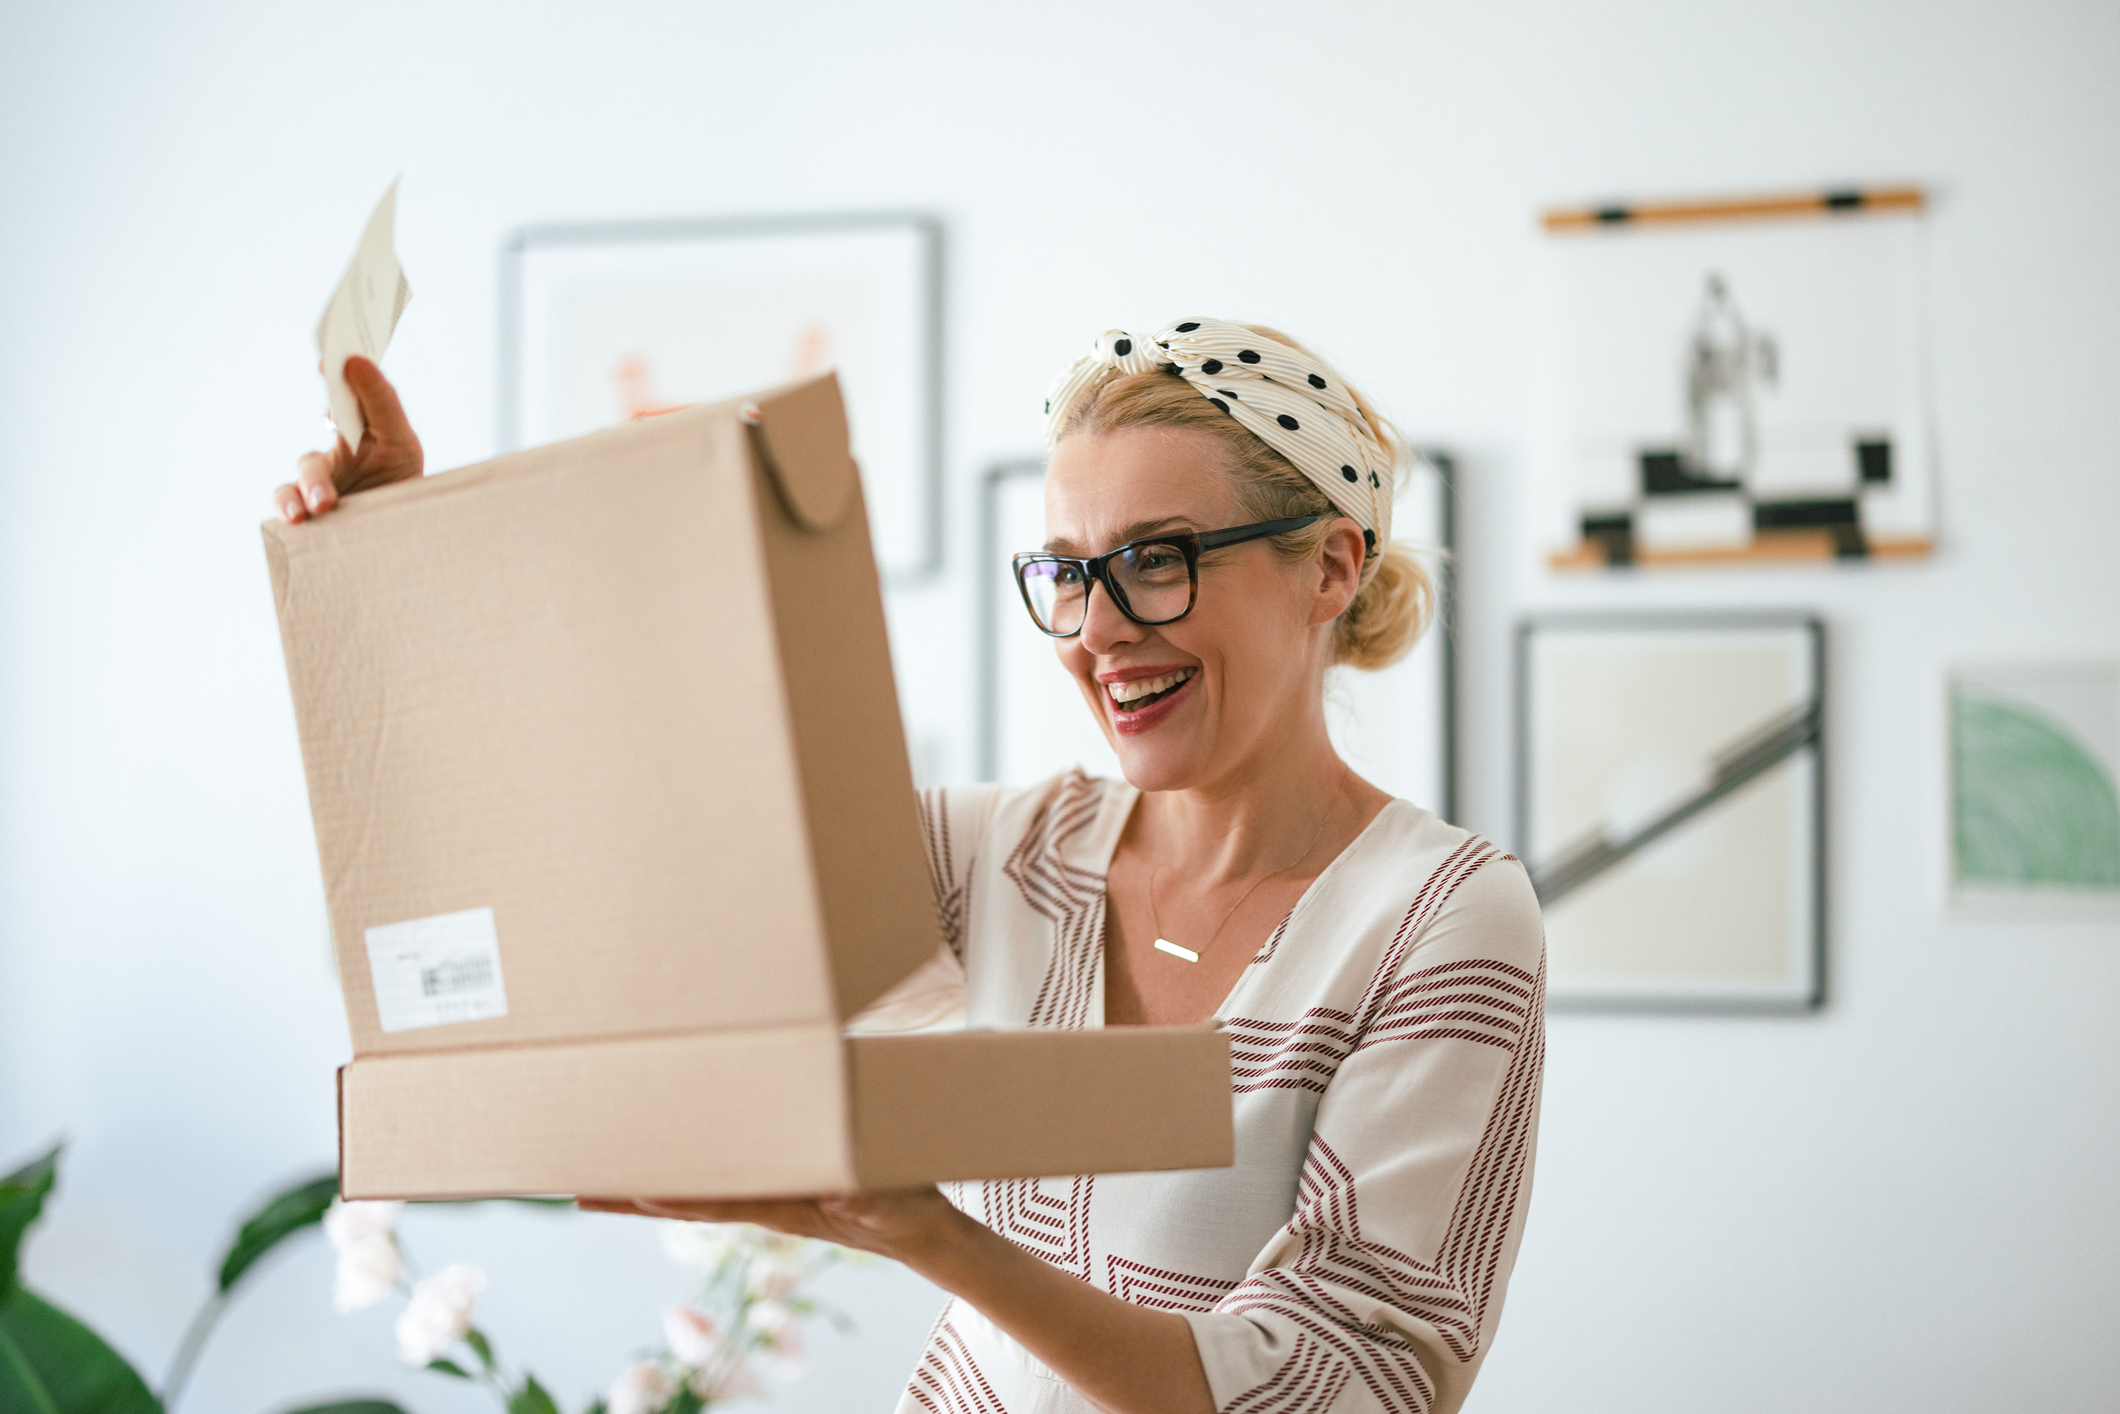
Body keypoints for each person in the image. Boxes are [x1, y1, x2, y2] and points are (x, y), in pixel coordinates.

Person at [281, 319, 1546, 1414]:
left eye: (1157, 559)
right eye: (1067, 573)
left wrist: (933, 1234)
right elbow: (615, 860)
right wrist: (403, 562)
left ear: (1328, 564)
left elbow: (1347, 1384)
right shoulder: (991, 855)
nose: (1099, 630)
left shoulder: (1438, 917)